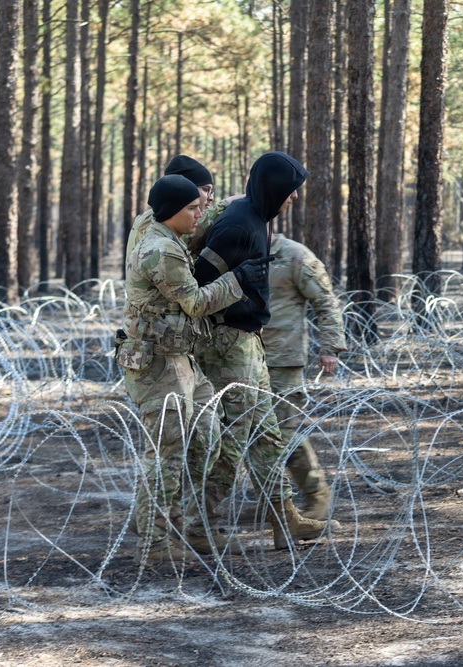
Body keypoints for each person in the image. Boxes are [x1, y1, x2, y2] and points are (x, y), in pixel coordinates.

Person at [119, 174, 268, 561]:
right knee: (166, 453)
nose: (200, 213)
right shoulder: (161, 251)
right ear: (170, 213)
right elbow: (197, 303)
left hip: (181, 358)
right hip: (156, 365)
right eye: (192, 208)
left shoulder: (167, 233)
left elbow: (203, 210)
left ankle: (186, 526)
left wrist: (241, 199)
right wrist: (237, 280)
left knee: (208, 437)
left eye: (201, 206)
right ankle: (154, 545)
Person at [193, 151, 338, 550]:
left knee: (269, 438)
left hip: (255, 346)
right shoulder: (240, 226)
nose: (293, 198)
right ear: (273, 187)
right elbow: (197, 285)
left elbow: (325, 302)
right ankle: (198, 524)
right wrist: (236, 284)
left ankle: (284, 519)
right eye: (290, 190)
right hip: (230, 346)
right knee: (238, 439)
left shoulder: (257, 223)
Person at [264, 233, 347, 520]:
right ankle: (273, 503)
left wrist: (330, 347)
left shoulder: (295, 255)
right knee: (251, 434)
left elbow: (325, 301)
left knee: (284, 434)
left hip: (283, 359)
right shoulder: (236, 248)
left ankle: (315, 495)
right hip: (240, 359)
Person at [126, 155, 216, 265]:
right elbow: (200, 227)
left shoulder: (160, 216)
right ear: (186, 188)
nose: (211, 197)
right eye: (206, 190)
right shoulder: (153, 221)